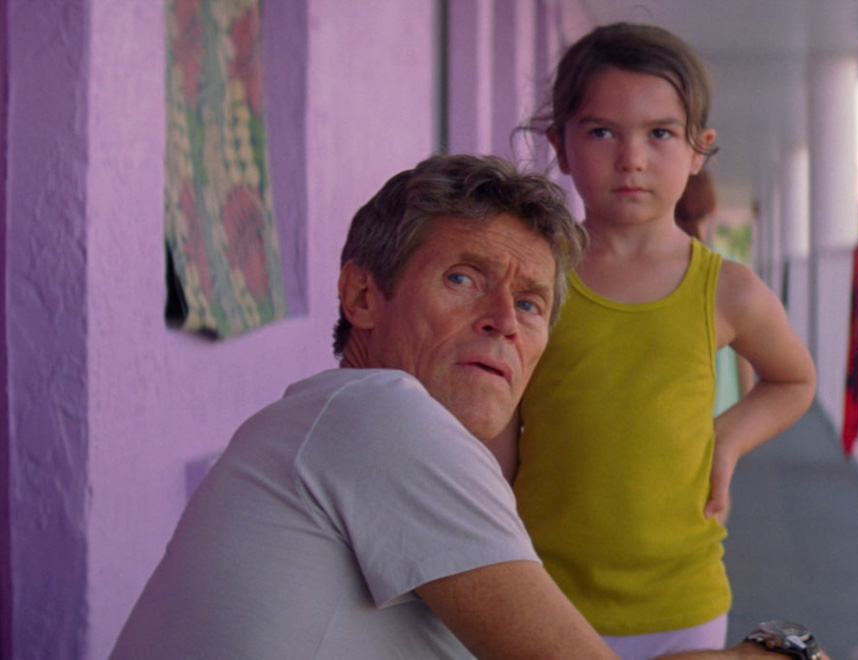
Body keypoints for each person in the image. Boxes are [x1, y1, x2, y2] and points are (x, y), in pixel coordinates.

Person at [110, 154, 814, 659]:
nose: (504, 320)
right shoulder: (381, 415)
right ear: (362, 296)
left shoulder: (344, 424)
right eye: (462, 279)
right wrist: (787, 652)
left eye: (531, 303)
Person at [502, 22, 817, 659]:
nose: (632, 158)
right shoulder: (534, 277)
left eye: (660, 133)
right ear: (560, 146)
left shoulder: (727, 290)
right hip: (542, 594)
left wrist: (727, 438)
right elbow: (500, 412)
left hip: (683, 602)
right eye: (601, 132)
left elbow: (794, 379)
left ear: (700, 149)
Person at [674, 169, 756, 415]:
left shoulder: (651, 270)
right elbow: (744, 357)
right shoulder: (727, 269)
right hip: (721, 414)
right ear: (712, 208)